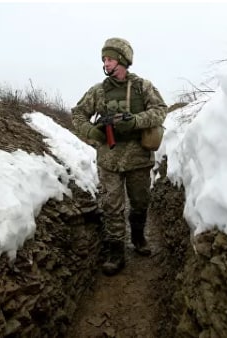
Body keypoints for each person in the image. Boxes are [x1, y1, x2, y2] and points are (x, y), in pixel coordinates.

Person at [71, 37, 167, 276]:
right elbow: (77, 114)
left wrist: (135, 121)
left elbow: (160, 111)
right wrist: (92, 131)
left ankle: (138, 238)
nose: (106, 62)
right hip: (109, 160)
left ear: (122, 60)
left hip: (138, 159)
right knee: (112, 207)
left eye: (110, 58)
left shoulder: (142, 87)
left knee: (140, 203)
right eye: (104, 58)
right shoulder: (98, 91)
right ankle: (116, 252)